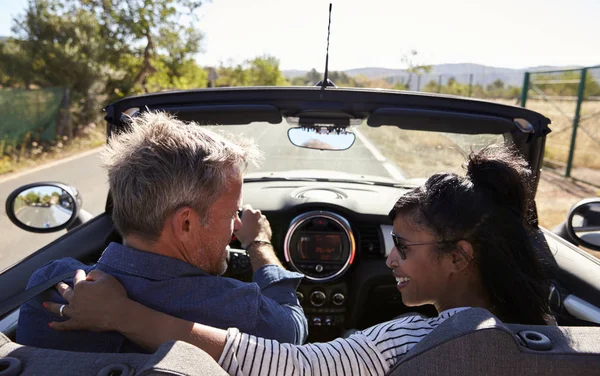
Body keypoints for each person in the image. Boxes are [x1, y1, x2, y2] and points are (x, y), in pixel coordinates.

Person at [46, 145, 552, 375]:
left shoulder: (401, 339)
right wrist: (262, 250)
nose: (392, 259)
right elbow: (288, 333)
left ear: (460, 257)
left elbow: (279, 362)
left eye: (403, 246)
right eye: (390, 243)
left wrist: (124, 315)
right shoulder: (550, 335)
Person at [18, 111, 308, 352]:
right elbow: (293, 331)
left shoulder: (53, 286)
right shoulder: (239, 309)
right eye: (233, 213)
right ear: (186, 224)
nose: (237, 225)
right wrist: (259, 243)